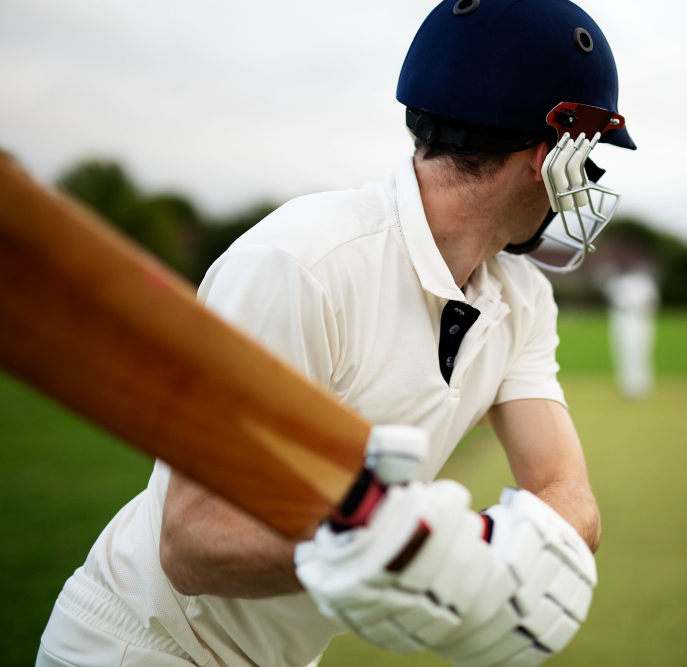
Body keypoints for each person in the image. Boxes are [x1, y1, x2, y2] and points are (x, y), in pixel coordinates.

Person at [36, 1, 636, 666]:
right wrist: (389, 549)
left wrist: (478, 550)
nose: (586, 184)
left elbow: (568, 494)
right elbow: (191, 542)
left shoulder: (521, 297)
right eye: (591, 159)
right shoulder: (300, 263)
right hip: (141, 643)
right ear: (551, 153)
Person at [604, 271, 660, 400]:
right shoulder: (618, 280)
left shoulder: (645, 281)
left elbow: (653, 301)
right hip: (623, 319)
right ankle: (627, 385)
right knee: (623, 350)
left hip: (641, 319)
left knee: (642, 351)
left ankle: (642, 385)